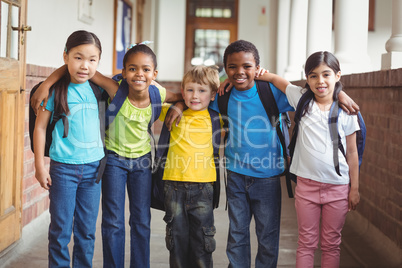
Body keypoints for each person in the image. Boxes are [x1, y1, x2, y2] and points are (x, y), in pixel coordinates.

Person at [31, 42, 184, 268]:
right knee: (113, 221)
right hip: (113, 161)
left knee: (141, 220)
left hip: (142, 162)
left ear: (155, 74)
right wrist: (47, 83)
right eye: (132, 69)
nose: (139, 74)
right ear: (123, 73)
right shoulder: (114, 88)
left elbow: (183, 96)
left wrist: (179, 106)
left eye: (145, 70)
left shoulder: (157, 92)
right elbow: (79, 67)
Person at [210, 40, 359, 268]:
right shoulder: (223, 96)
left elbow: (315, 93)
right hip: (235, 175)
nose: (240, 72)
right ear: (225, 69)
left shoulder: (270, 92)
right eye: (232, 67)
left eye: (247, 66)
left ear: (258, 67)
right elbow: (197, 99)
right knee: (237, 235)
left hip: (268, 177)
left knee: (268, 237)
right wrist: (184, 104)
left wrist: (341, 95)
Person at [270, 51, 360, 267]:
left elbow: (352, 152)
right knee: (306, 242)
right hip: (306, 187)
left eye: (326, 74)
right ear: (307, 79)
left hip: (338, 188)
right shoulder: (302, 100)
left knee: (331, 244)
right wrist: (258, 72)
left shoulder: (347, 112)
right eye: (313, 75)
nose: (320, 81)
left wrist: (354, 188)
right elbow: (277, 80)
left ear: (338, 75)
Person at [33, 30, 105, 267]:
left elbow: (122, 89)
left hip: (94, 171)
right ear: (65, 56)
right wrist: (40, 168)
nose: (85, 65)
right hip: (63, 171)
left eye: (92, 59)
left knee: (86, 232)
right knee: (60, 230)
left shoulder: (98, 90)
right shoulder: (54, 91)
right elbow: (40, 128)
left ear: (98, 62)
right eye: (78, 57)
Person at [158, 65, 222, 268]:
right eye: (190, 90)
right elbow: (147, 91)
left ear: (213, 95)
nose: (195, 96)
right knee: (176, 240)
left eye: (202, 91)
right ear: (183, 90)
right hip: (173, 187)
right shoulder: (171, 113)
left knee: (202, 242)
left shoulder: (217, 118)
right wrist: (177, 101)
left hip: (203, 188)